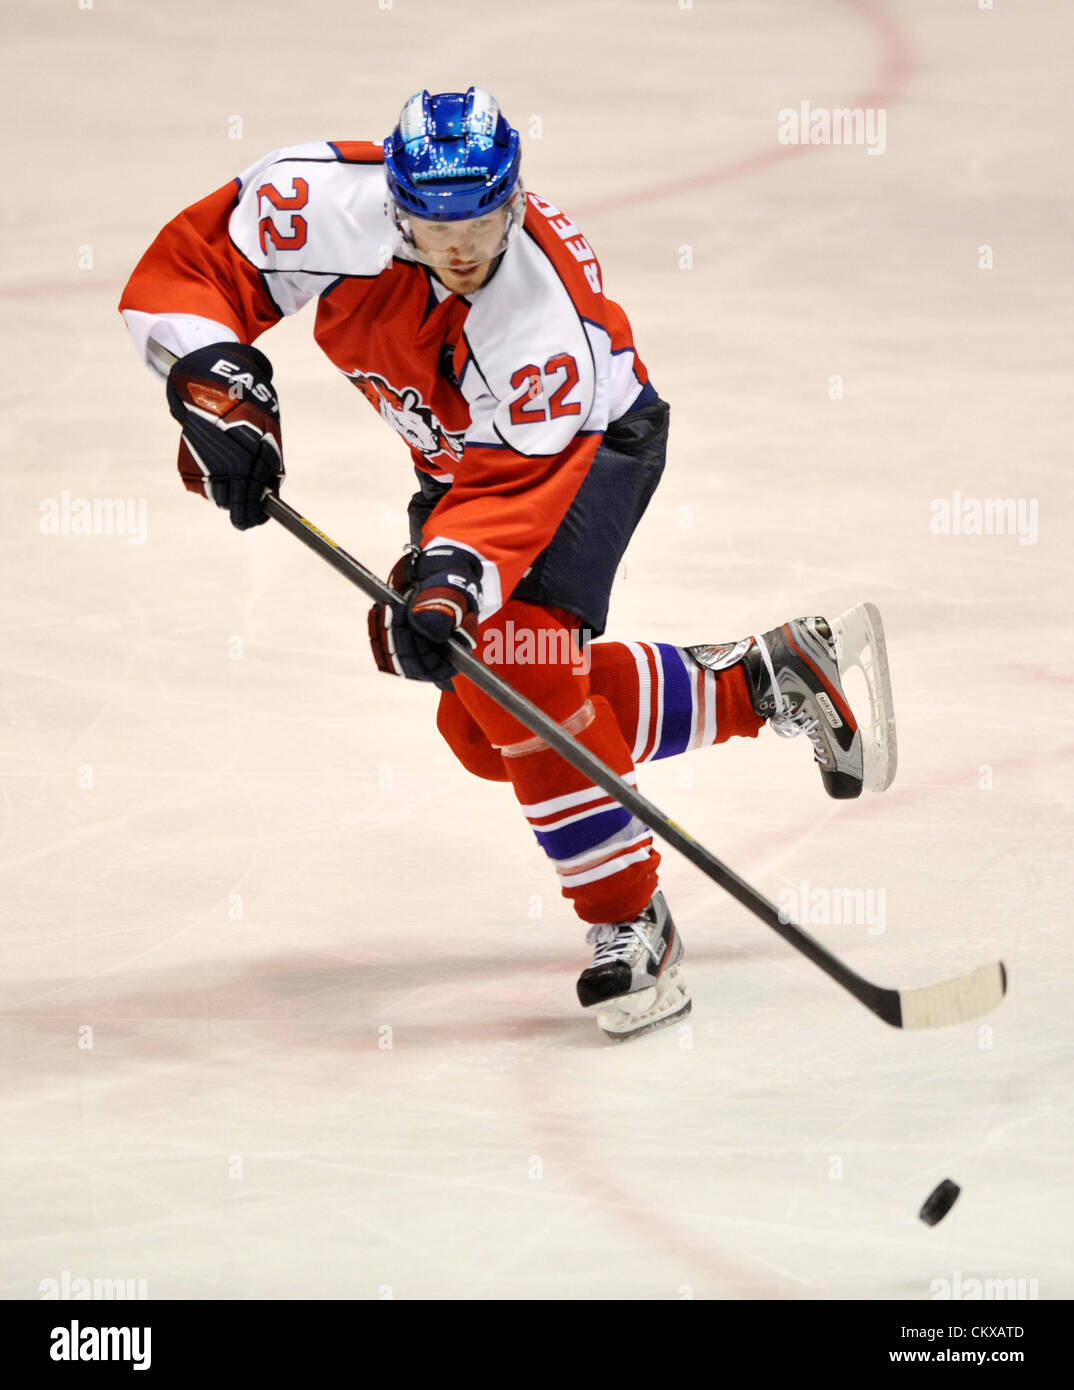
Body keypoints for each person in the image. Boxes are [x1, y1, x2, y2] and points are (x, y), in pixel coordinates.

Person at [119, 87, 896, 1040]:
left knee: (516, 659)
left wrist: (449, 580)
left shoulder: (540, 320)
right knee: (483, 728)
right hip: (460, 458)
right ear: (397, 203)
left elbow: (513, 493)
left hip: (584, 445)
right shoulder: (320, 197)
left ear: (514, 198)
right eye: (434, 222)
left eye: (482, 218)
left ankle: (629, 924)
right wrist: (213, 383)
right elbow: (194, 269)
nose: (460, 246)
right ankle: (763, 682)